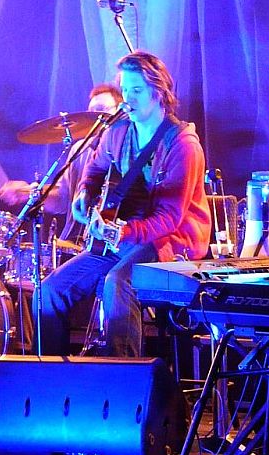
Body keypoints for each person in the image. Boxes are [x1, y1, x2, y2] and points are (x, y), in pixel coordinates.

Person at [38, 51, 211, 357]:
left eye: (136, 90)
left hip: (170, 243)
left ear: (158, 92)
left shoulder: (183, 145)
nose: (127, 99)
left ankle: (124, 376)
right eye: (125, 89)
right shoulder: (117, 132)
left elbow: (169, 218)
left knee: (118, 283)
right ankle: (51, 374)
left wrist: (124, 232)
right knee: (49, 291)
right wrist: (84, 194)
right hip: (123, 238)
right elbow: (95, 169)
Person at [0, 83, 123, 244]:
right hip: (73, 241)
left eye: (101, 110)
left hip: (111, 242)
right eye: (91, 112)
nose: (95, 118)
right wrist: (28, 192)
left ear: (121, 112)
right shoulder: (81, 150)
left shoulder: (127, 150)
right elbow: (63, 199)